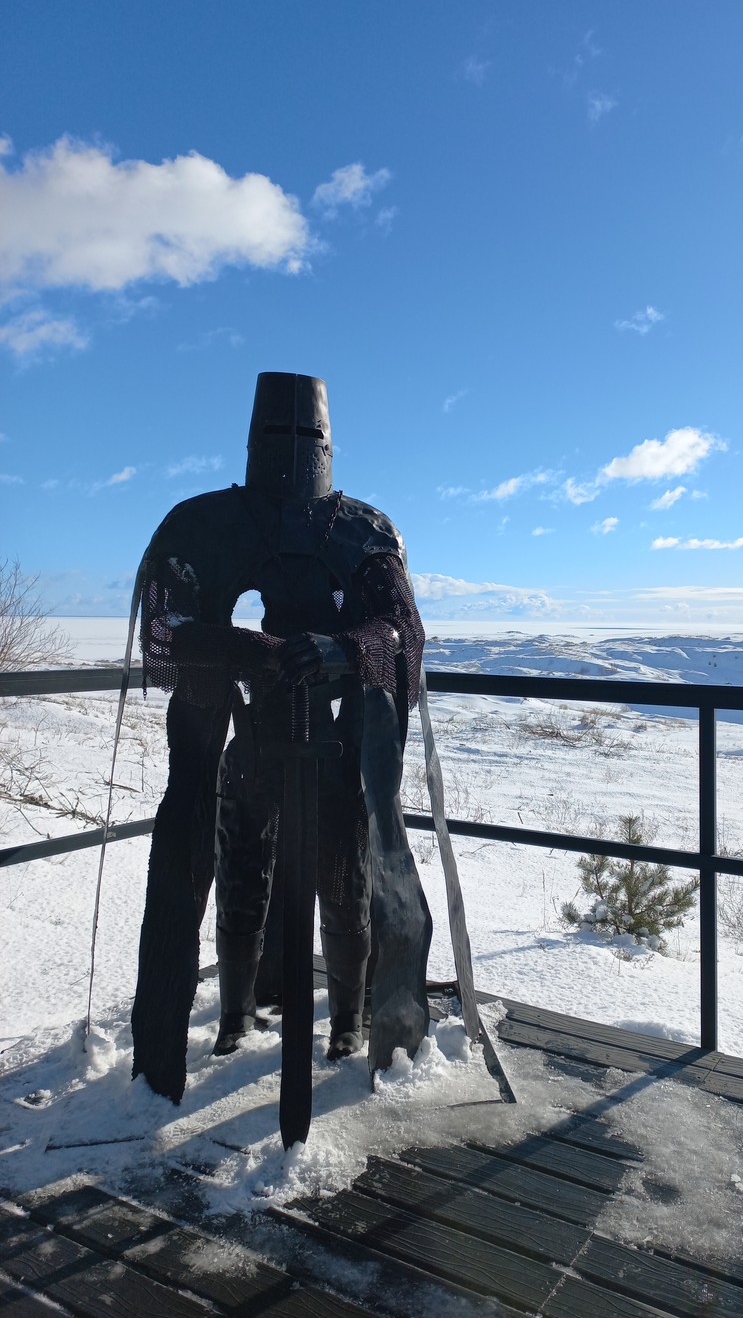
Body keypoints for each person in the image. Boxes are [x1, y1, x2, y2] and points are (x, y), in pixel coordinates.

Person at [130, 371, 431, 1104]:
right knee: (240, 874)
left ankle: (350, 1019)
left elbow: (401, 632)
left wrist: (340, 649)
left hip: (335, 747)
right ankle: (235, 1013)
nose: (294, 445)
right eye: (281, 429)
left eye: (305, 431)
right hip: (249, 736)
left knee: (346, 883)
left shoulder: (363, 531)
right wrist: (251, 650)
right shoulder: (203, 525)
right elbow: (165, 631)